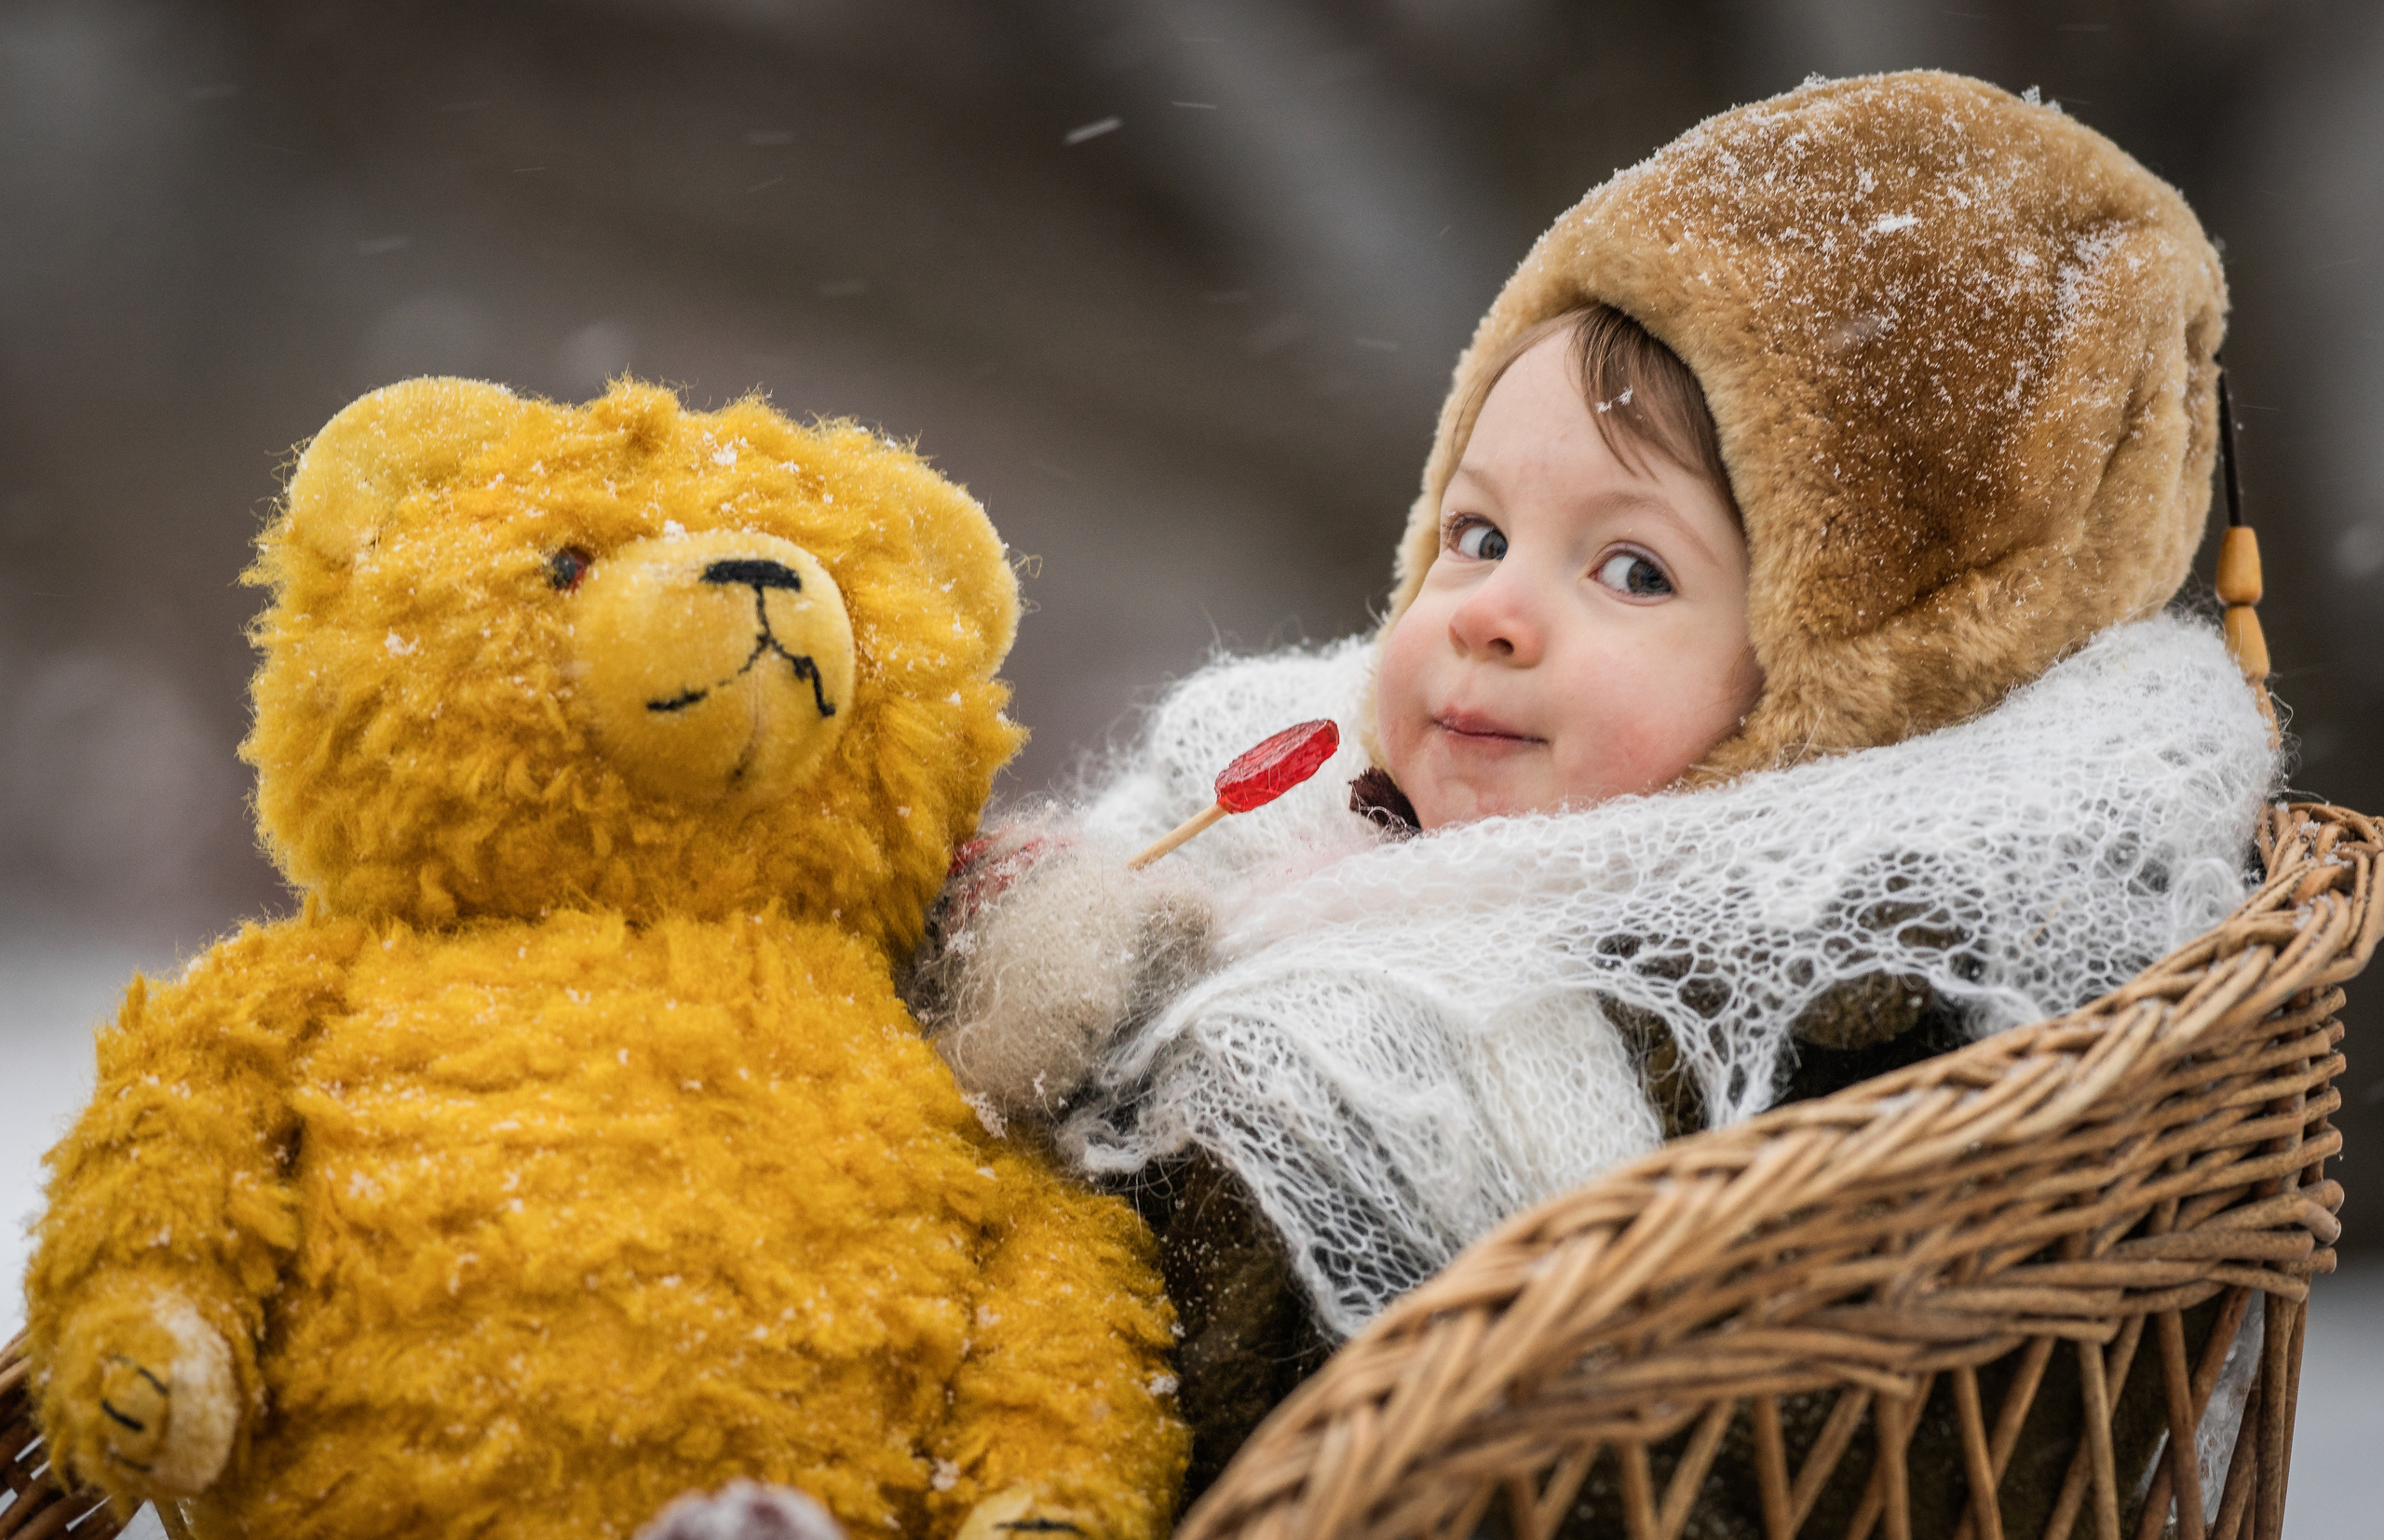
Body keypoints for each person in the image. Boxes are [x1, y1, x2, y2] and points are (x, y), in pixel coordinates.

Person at [903, 71, 2278, 1515]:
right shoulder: (1282, 793)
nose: (1493, 612)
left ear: (1829, 696)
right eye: (1476, 531)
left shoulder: (1786, 1004)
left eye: (1633, 569)